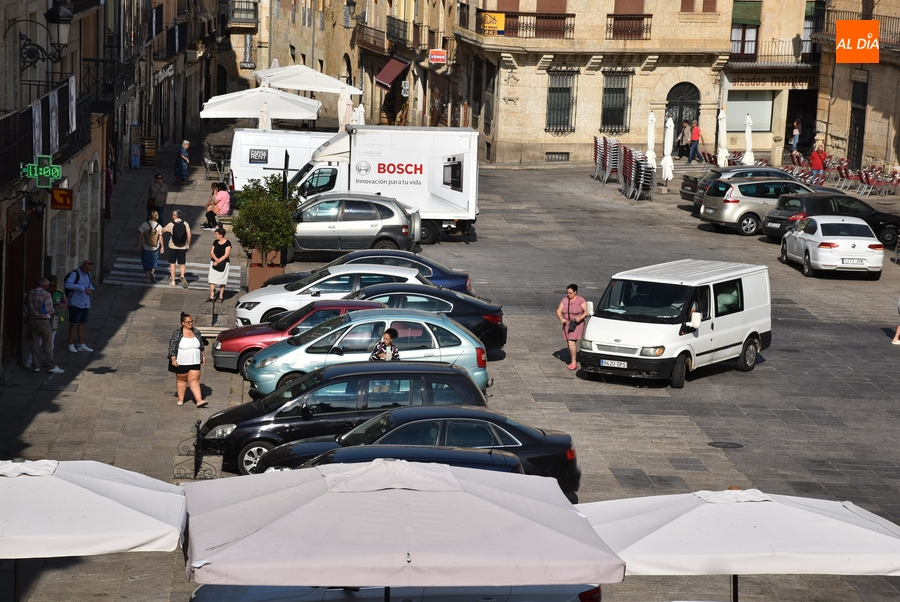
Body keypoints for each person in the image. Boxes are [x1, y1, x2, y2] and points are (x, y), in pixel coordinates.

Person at [24, 275, 66, 368]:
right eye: (50, 285)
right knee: (45, 342)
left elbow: (64, 303)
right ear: (46, 285)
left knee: (45, 341)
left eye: (53, 286)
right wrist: (54, 308)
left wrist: (60, 305)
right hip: (44, 319)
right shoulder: (45, 294)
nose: (51, 288)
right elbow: (48, 310)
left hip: (50, 319)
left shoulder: (57, 293)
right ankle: (49, 364)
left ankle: (36, 364)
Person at [168, 312, 207, 407]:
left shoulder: (196, 332)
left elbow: (201, 346)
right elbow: (172, 347)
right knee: (182, 380)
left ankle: (199, 400)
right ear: (183, 323)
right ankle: (181, 399)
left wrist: (203, 357)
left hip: (195, 361)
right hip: (182, 362)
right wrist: (173, 359)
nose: (191, 323)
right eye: (188, 322)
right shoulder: (177, 333)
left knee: (194, 380)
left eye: (191, 321)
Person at [556, 284, 587, 371]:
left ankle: (574, 362)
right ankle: (572, 359)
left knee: (571, 342)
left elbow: (586, 312)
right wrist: (561, 318)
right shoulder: (564, 300)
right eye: (567, 293)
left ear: (575, 292)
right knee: (569, 341)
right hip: (567, 323)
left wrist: (580, 318)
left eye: (571, 293)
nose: (569, 295)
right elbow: (558, 311)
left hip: (576, 324)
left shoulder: (580, 300)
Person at [66, 259, 95, 353]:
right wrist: (82, 288)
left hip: (85, 303)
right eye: (87, 269)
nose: (88, 271)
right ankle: (70, 344)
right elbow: (68, 284)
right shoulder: (75, 274)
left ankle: (81, 344)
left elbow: (90, 284)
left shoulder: (88, 274)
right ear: (83, 266)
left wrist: (91, 290)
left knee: (83, 323)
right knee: (74, 324)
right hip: (75, 303)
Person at [164, 209, 191, 288]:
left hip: (173, 246)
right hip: (183, 246)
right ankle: (182, 275)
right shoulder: (185, 224)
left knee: (172, 263)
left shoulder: (171, 224)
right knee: (182, 263)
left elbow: (162, 230)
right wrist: (188, 244)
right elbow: (189, 235)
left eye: (172, 214)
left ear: (175, 216)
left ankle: (173, 281)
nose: (172, 216)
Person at [137, 210, 165, 283]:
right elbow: (160, 237)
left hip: (146, 246)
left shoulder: (145, 224)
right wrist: (162, 247)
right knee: (154, 260)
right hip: (155, 247)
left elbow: (140, 234)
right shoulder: (159, 226)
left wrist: (139, 244)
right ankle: (152, 272)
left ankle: (147, 278)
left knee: (145, 261)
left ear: (149, 216)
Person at [207, 227, 232, 302]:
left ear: (221, 235)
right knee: (211, 279)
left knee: (222, 280)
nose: (215, 236)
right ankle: (212, 295)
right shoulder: (215, 242)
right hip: (214, 261)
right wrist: (215, 259)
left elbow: (226, 254)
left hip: (223, 263)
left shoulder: (228, 243)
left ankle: (221, 296)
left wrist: (218, 261)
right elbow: (211, 252)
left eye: (216, 234)